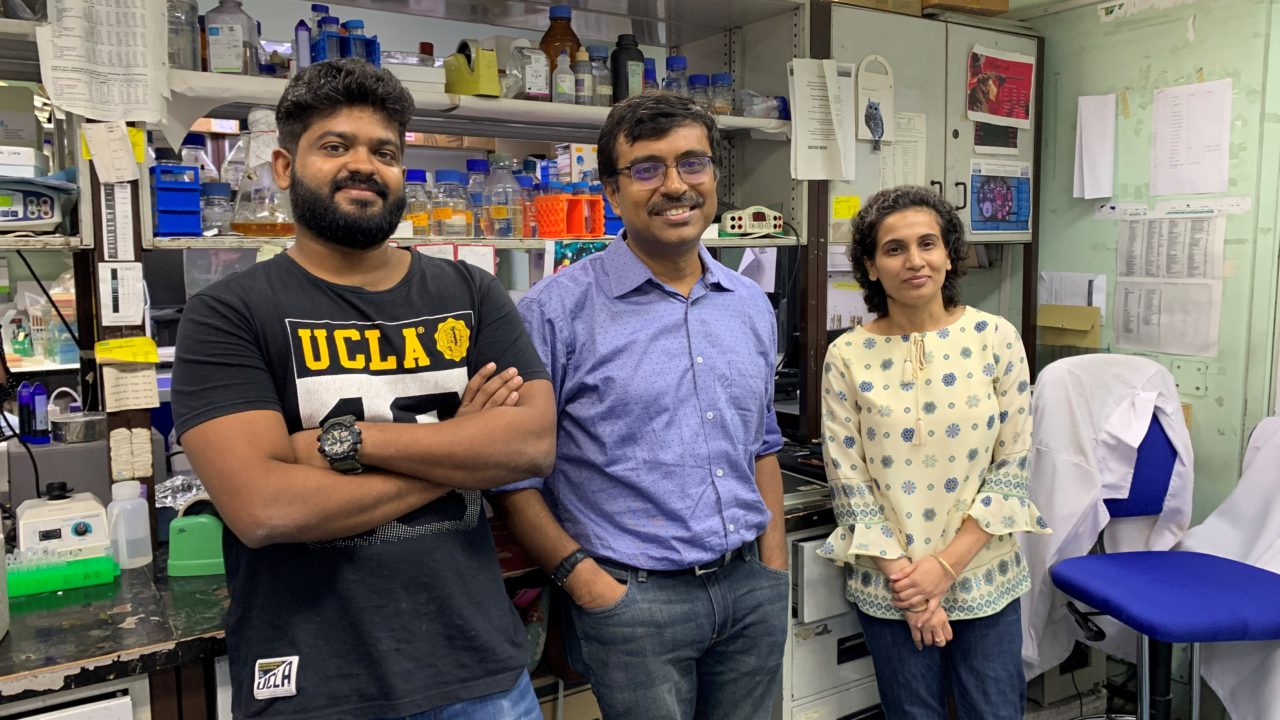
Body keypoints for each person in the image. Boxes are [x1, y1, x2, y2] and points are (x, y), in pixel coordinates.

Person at [171, 59, 556, 720]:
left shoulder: (469, 293)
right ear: (286, 168)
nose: (363, 165)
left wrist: (343, 444)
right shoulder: (228, 314)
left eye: (384, 151)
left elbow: (530, 444)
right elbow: (265, 509)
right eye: (335, 146)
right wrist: (461, 454)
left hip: (480, 673)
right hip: (317, 684)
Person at [491, 92, 789, 720]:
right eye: (647, 168)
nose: (675, 185)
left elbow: (762, 441)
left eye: (692, 163)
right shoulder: (554, 312)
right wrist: (585, 581)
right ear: (610, 191)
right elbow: (513, 475)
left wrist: (774, 560)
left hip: (750, 588)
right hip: (632, 602)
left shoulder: (748, 302)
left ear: (714, 176)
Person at [816, 185, 1050, 718]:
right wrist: (915, 588)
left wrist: (943, 569)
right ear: (871, 267)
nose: (914, 260)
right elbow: (849, 481)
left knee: (994, 711)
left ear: (949, 255)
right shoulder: (847, 355)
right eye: (894, 249)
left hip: (981, 574)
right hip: (891, 584)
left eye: (928, 244)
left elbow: (1011, 467)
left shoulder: (996, 338)